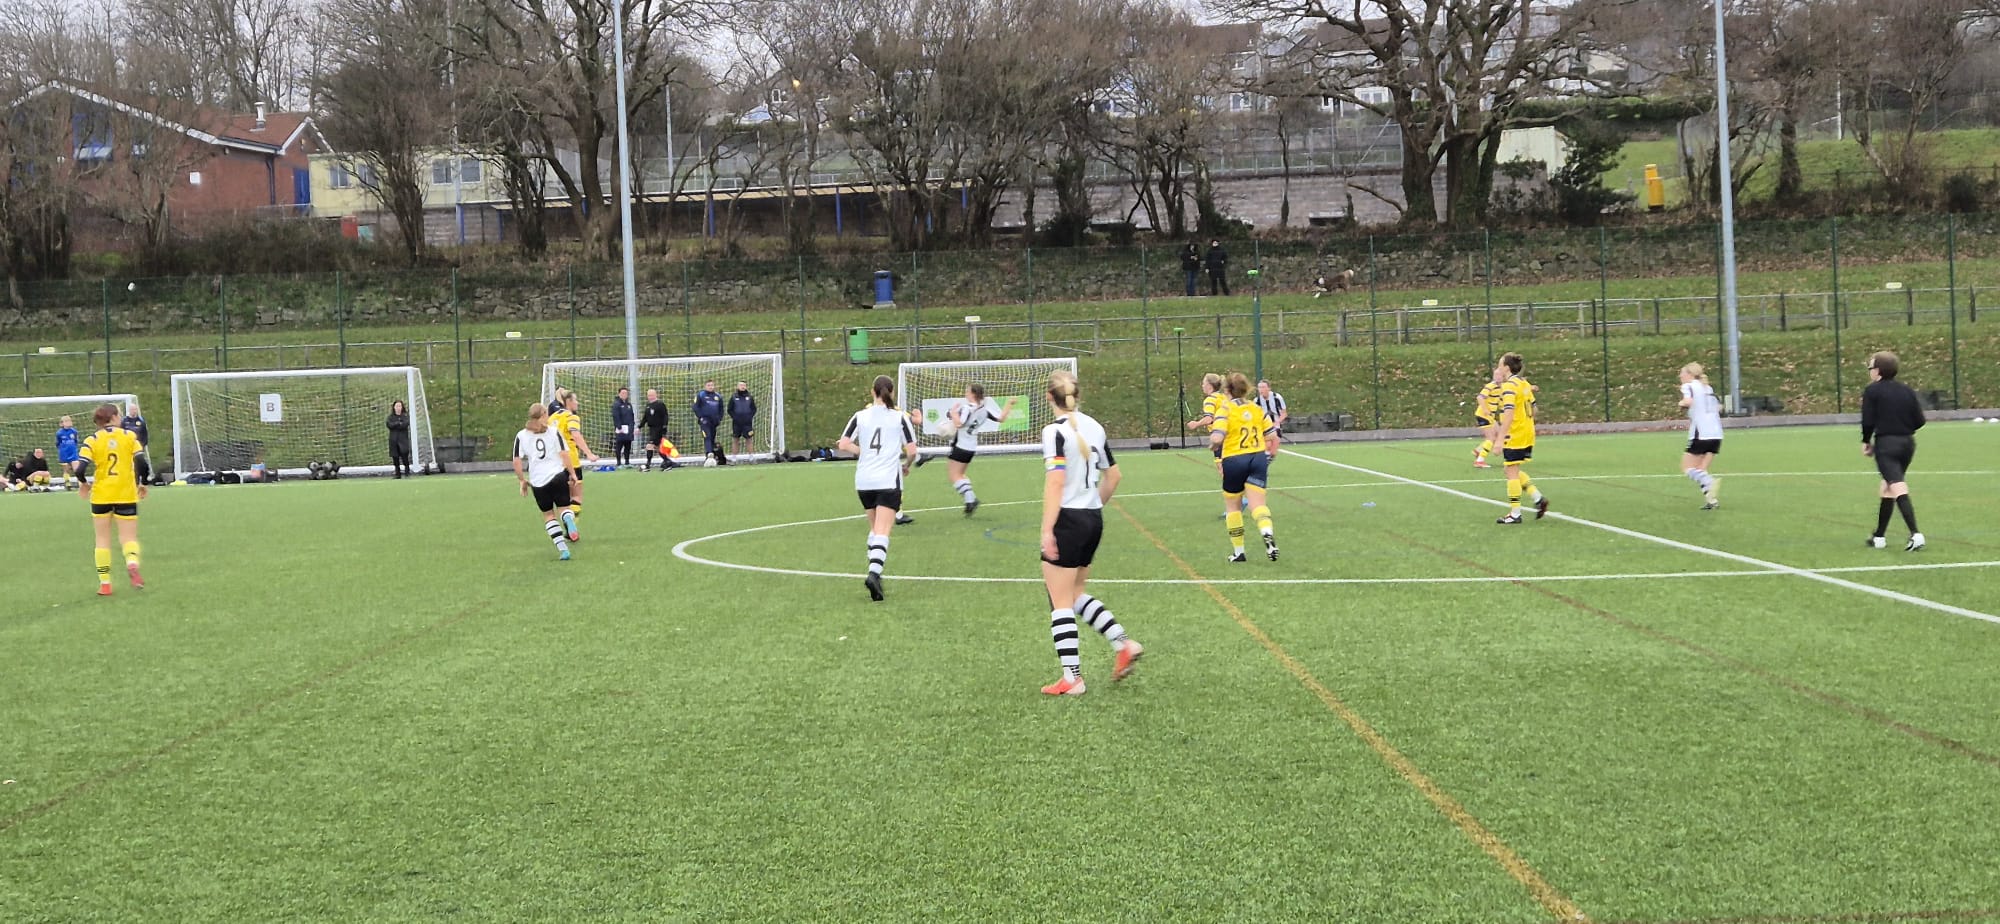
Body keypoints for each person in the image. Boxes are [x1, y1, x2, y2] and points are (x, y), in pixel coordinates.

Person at [1037, 369, 1141, 696]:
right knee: (1075, 593)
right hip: (1092, 517)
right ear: (1077, 396)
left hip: (1068, 518)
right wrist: (1093, 507)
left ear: (1048, 398)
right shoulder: (1094, 426)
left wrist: (1047, 529)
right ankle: (1123, 643)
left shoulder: (1054, 432)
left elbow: (1055, 482)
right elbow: (1115, 476)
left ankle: (1073, 678)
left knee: (1059, 601)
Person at [836, 375, 919, 602]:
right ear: (891, 393)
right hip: (887, 480)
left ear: (872, 392)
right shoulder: (899, 417)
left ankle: (876, 574)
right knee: (883, 530)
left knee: (874, 529)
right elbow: (912, 451)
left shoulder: (860, 416)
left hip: (864, 481)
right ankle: (874, 574)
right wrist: (906, 466)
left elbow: (843, 444)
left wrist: (863, 452)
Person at [76, 403, 148, 595]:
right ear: (115, 417)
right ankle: (132, 563)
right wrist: (143, 482)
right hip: (125, 493)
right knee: (128, 537)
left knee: (102, 539)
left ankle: (105, 584)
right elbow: (141, 461)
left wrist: (84, 483)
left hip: (101, 495)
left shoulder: (92, 440)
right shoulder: (129, 436)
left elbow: (80, 468)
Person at [1211, 373, 1280, 562]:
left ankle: (1239, 552)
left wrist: (1214, 444)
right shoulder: (1256, 408)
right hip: (1257, 458)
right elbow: (1272, 436)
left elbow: (1217, 436)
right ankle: (1266, 532)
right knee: (1258, 504)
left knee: (1233, 506)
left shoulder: (1225, 409)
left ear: (1227, 390)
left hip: (1234, 459)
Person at [1861, 351, 1926, 550]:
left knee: (1897, 486)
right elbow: (1920, 420)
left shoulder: (1872, 391)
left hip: (1886, 445)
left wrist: (1866, 441)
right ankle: (1879, 537)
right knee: (1887, 487)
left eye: (1871, 368)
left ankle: (1916, 534)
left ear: (1878, 370)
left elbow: (1868, 420)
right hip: (1907, 444)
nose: (1870, 371)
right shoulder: (1906, 390)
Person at [513, 402, 581, 561]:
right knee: (564, 508)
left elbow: (516, 461)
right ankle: (568, 520)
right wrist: (572, 473)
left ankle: (563, 550)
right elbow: (564, 454)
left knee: (549, 515)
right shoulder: (553, 432)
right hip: (557, 476)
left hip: (538, 481)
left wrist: (522, 480)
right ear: (544, 415)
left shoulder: (521, 435)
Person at [1489, 352, 1548, 524]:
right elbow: (1534, 409)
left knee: (1511, 471)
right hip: (1527, 432)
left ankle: (1515, 513)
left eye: (1500, 364)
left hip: (1514, 433)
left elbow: (1508, 413)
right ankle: (1538, 499)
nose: (1498, 367)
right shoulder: (1523, 383)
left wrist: (1500, 438)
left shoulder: (1509, 386)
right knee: (1509, 470)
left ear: (1506, 367)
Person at [936, 383, 1006, 517]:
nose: (965, 393)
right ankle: (970, 500)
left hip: (961, 446)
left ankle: (971, 499)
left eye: (967, 391)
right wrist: (1009, 404)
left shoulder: (967, 408)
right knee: (961, 475)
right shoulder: (985, 409)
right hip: (971, 447)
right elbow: (1001, 418)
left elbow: (958, 423)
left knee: (954, 476)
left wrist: (953, 413)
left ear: (973, 394)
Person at [549, 388, 599, 529]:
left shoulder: (552, 418)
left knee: (563, 499)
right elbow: (575, 434)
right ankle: (573, 527)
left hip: (555, 462)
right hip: (571, 460)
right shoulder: (571, 417)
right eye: (575, 400)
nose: (577, 403)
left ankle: (567, 523)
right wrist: (589, 454)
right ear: (569, 402)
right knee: (576, 497)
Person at [1678, 363, 1724, 510]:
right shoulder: (1707, 387)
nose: (1680, 376)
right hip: (1716, 434)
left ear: (1690, 374)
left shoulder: (1689, 386)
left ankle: (1709, 482)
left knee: (1687, 468)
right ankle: (1712, 501)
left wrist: (1681, 403)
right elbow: (1718, 407)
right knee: (1701, 470)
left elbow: (1688, 402)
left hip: (1701, 434)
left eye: (1682, 373)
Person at [1472, 368, 1504, 469]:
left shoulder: (1502, 387)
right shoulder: (1491, 386)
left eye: (1500, 375)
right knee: (1491, 438)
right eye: (1496, 375)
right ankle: (1480, 461)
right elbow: (1480, 397)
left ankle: (1478, 450)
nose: (1497, 377)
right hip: (1484, 415)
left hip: (1491, 416)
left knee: (1499, 434)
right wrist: (1485, 409)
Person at [120, 402, 154, 484]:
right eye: (132, 409)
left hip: (138, 448)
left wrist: (143, 445)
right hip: (127, 448)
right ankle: (133, 481)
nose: (134, 411)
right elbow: (120, 434)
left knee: (140, 464)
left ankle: (143, 480)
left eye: (135, 409)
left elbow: (145, 434)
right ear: (129, 410)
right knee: (129, 465)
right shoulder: (124, 421)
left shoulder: (141, 421)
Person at [640, 388, 673, 471]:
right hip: (651, 429)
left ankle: (648, 464)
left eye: (651, 395)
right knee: (659, 448)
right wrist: (639, 427)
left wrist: (664, 427)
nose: (650, 397)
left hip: (658, 429)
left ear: (656, 395)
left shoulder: (660, 404)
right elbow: (645, 418)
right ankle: (667, 462)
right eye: (648, 395)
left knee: (649, 446)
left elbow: (665, 416)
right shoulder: (648, 406)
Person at [693, 380, 724, 463]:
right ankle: (709, 454)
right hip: (705, 420)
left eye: (712, 385)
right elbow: (695, 407)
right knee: (707, 436)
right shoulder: (701, 395)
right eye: (708, 385)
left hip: (714, 421)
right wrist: (701, 417)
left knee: (712, 438)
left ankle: (713, 456)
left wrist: (719, 418)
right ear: (705, 386)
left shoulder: (718, 396)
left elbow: (721, 409)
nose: (710, 387)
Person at [1254, 379, 1288, 449]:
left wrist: (1277, 422)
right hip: (1264, 424)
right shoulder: (1256, 400)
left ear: (1269, 388)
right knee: (1267, 445)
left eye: (1263, 387)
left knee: (1272, 444)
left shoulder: (1277, 397)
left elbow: (1284, 413)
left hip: (1276, 424)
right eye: (1259, 387)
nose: (1261, 389)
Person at [728, 382, 757, 459]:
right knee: (735, 439)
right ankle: (734, 458)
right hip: (736, 423)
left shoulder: (750, 397)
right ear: (737, 386)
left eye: (744, 385)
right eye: (741, 385)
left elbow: (754, 409)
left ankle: (751, 457)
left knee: (749, 439)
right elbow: (729, 409)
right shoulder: (734, 397)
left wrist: (749, 417)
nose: (743, 387)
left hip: (747, 423)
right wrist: (735, 417)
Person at [386, 399, 414, 478]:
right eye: (397, 406)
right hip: (393, 440)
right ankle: (397, 474)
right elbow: (389, 425)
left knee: (405, 456)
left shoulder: (405, 416)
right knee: (395, 457)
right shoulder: (390, 417)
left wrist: (397, 425)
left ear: (402, 407)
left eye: (399, 406)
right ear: (394, 407)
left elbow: (404, 424)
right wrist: (397, 423)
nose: (398, 408)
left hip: (403, 440)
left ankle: (407, 472)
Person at [611, 387, 636, 468]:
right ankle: (618, 463)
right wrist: (618, 426)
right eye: (623, 393)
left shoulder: (629, 404)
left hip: (629, 428)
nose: (624, 395)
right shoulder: (616, 404)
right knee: (619, 445)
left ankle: (627, 462)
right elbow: (615, 416)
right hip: (621, 428)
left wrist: (632, 426)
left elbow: (632, 416)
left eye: (626, 393)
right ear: (619, 394)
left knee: (628, 445)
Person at [56, 415, 80, 488]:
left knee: (77, 468)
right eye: (66, 421)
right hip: (64, 454)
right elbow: (58, 443)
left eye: (69, 421)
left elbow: (76, 441)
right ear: (62, 423)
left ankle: (81, 483)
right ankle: (67, 483)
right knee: (66, 469)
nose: (68, 422)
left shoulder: (74, 431)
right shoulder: (59, 433)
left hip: (73, 453)